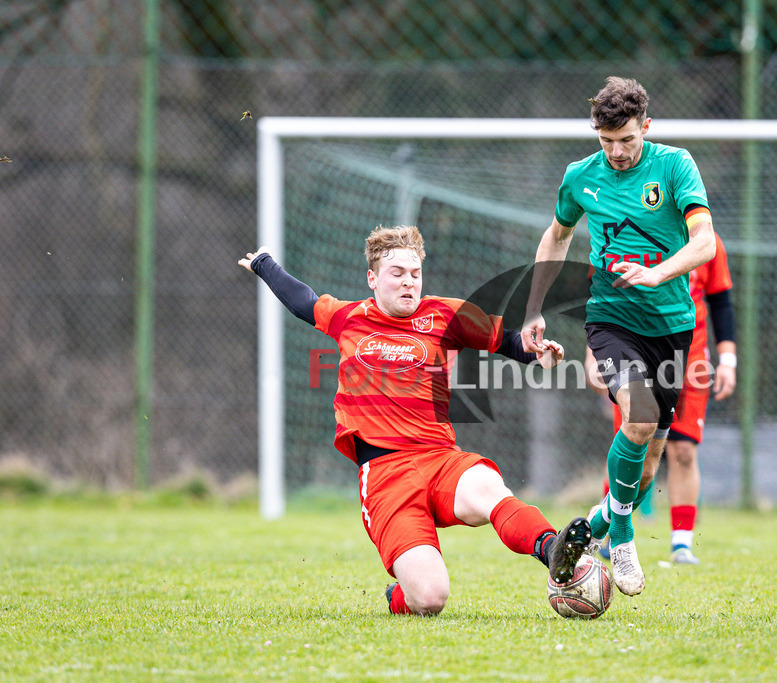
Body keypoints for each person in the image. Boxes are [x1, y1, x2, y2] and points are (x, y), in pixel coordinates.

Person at [238, 225, 591, 616]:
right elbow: (302, 300)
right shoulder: (348, 318)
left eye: (415, 274)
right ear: (372, 278)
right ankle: (399, 594)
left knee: (489, 487)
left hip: (440, 458)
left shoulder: (445, 314)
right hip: (386, 473)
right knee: (431, 598)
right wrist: (263, 263)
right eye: (397, 274)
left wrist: (537, 352)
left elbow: (508, 342)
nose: (409, 283)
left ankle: (553, 548)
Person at [521, 77, 717, 596]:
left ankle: (602, 522)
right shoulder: (580, 177)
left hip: (673, 327)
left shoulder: (674, 166)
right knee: (640, 417)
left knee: (652, 453)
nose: (617, 152)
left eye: (626, 140)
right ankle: (624, 534)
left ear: (645, 127)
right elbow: (558, 235)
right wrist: (533, 308)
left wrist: (659, 272)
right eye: (606, 141)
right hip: (610, 320)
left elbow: (706, 242)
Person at [585, 232, 736, 565]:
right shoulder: (626, 231)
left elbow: (722, 301)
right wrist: (592, 353)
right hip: (634, 349)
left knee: (683, 449)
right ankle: (612, 534)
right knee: (632, 443)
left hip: (691, 357)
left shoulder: (708, 241)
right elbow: (600, 294)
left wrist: (728, 360)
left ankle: (680, 544)